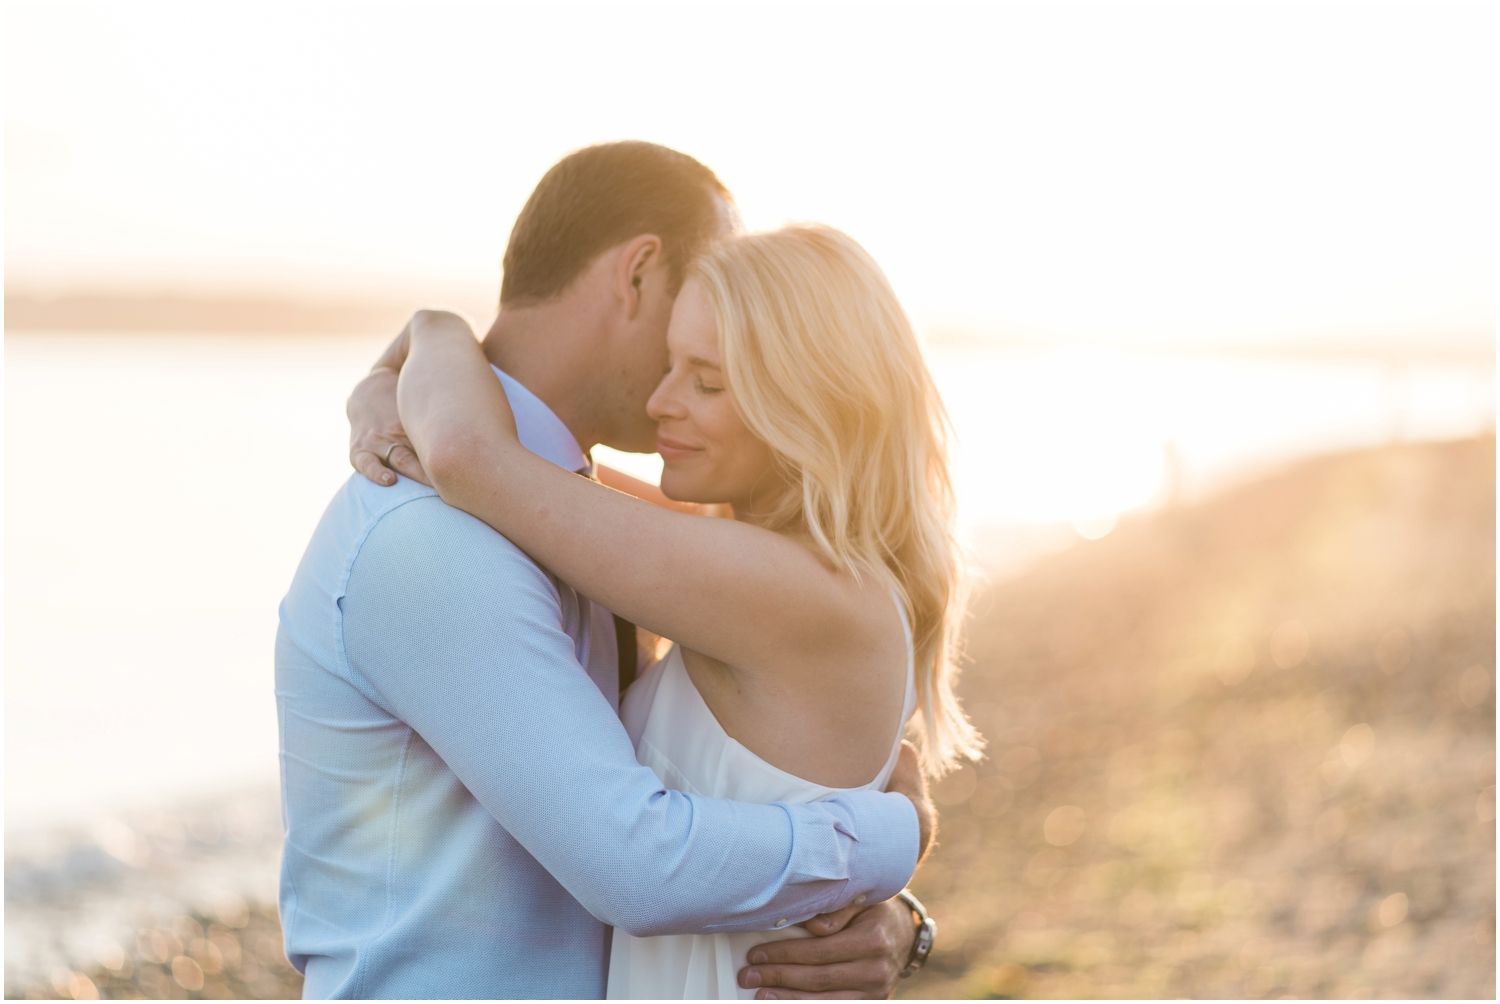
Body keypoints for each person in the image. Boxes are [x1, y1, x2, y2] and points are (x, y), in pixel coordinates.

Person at [278, 141, 936, 1000]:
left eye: (711, 375)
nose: (681, 379)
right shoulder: (432, 534)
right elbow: (639, 862)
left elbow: (780, 741)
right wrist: (885, 838)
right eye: (707, 287)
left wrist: (890, 910)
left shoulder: (586, 521)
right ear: (639, 276)